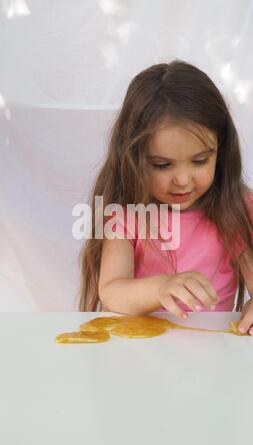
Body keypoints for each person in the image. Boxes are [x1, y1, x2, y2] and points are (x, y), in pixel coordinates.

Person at [78, 60, 253, 335]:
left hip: (216, 358)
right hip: (144, 356)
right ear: (133, 158)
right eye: (162, 165)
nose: (182, 180)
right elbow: (111, 291)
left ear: (221, 149)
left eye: (199, 161)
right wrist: (160, 288)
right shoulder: (124, 215)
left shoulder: (235, 209)